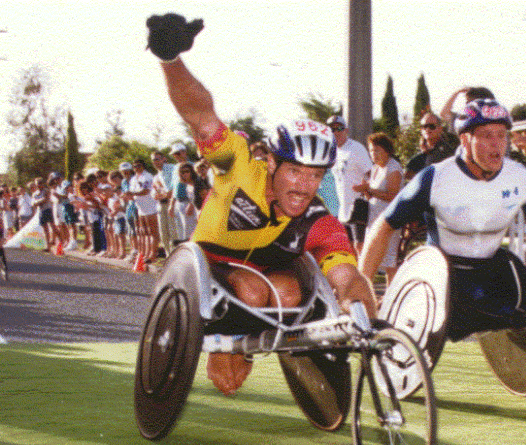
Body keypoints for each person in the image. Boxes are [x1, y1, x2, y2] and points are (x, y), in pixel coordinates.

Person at [147, 12, 376, 396]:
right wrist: (170, 59)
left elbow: (347, 277)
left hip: (266, 278)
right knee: (254, 291)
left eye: (316, 175)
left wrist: (361, 312)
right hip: (208, 266)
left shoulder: (318, 219)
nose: (305, 187)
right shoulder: (238, 166)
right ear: (271, 163)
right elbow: (201, 116)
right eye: (296, 172)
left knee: (288, 294)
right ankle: (227, 344)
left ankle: (244, 348)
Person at [360, 99, 526, 343]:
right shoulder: (435, 178)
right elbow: (384, 227)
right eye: (487, 135)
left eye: (502, 135)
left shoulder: (522, 178)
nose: (497, 144)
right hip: (441, 274)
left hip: (489, 272)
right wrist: (363, 295)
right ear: (465, 140)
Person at [355, 132, 402, 285]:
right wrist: (366, 191)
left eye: (377, 150)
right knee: (370, 258)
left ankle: (391, 296)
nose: (373, 154)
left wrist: (371, 190)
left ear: (386, 150)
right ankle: (367, 292)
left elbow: (393, 195)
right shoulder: (375, 169)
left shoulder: (393, 168)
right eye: (371, 151)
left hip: (389, 220)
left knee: (389, 261)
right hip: (373, 219)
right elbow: (373, 195)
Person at [326, 114, 373, 254]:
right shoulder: (332, 152)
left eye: (339, 128)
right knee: (348, 248)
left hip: (358, 206)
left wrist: (365, 188)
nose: (336, 132)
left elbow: (372, 174)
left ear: (346, 130)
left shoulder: (356, 148)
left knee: (360, 247)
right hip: (343, 209)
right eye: (332, 129)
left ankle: (366, 275)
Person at [404, 112, 457, 180]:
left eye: (432, 126)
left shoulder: (448, 152)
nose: (427, 129)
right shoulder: (416, 159)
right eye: (424, 126)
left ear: (440, 129)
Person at [130, 158, 160, 263]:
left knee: (153, 232)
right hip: (140, 208)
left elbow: (146, 191)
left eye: (138, 165)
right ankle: (144, 254)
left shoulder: (147, 177)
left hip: (150, 207)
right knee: (144, 232)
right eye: (134, 166)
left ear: (143, 166)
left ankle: (152, 254)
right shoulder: (133, 178)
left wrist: (132, 194)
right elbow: (133, 192)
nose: (136, 168)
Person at [151, 150, 178, 256]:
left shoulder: (172, 168)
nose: (155, 162)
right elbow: (154, 190)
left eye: (157, 159)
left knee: (173, 232)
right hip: (161, 204)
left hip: (172, 203)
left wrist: (165, 194)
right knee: (163, 233)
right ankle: (168, 256)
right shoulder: (157, 175)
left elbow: (173, 188)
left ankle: (175, 257)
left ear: (164, 159)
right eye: (153, 160)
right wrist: (155, 194)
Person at [168, 162, 198, 242]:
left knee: (190, 231)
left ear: (192, 172)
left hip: (191, 206)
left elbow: (197, 195)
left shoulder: (196, 182)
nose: (185, 174)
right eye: (182, 172)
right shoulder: (186, 184)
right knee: (182, 231)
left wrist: (191, 205)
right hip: (180, 205)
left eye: (187, 171)